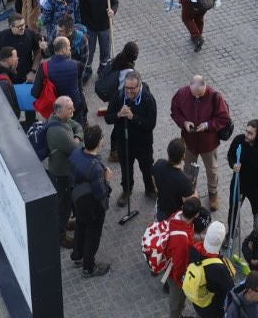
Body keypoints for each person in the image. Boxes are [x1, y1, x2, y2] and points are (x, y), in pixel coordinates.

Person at [171, 74, 232, 212]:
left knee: (212, 170)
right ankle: (190, 193)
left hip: (208, 143)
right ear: (190, 87)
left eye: (200, 95)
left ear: (205, 87)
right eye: (195, 95)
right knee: (188, 170)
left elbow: (224, 118)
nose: (197, 97)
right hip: (189, 141)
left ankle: (213, 193)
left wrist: (207, 125)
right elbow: (175, 112)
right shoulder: (182, 94)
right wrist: (184, 123)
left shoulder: (216, 97)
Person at [68, 124, 113, 277]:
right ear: (99, 142)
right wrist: (106, 180)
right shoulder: (96, 168)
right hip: (92, 206)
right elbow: (101, 193)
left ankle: (77, 255)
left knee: (80, 227)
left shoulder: (76, 154)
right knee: (93, 235)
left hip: (77, 200)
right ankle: (89, 267)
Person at [108, 69, 157, 206]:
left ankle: (150, 188)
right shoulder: (119, 96)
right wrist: (118, 114)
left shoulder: (148, 99)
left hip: (143, 144)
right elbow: (107, 118)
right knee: (126, 168)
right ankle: (126, 190)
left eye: (132, 88)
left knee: (147, 168)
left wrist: (133, 117)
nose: (128, 91)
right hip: (124, 143)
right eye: (127, 87)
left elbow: (150, 124)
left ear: (139, 85)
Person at [43, 96, 84, 244]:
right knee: (63, 206)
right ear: (59, 111)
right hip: (61, 174)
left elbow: (78, 126)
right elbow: (76, 149)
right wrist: (79, 139)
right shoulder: (57, 132)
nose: (73, 110)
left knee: (66, 202)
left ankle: (65, 225)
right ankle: (61, 236)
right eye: (69, 108)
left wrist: (77, 136)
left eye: (72, 106)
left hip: (65, 171)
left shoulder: (60, 119)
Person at [161, 196, 204, 318]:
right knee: (176, 301)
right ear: (196, 216)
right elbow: (179, 266)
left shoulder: (178, 215)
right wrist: (182, 283)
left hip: (169, 262)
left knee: (178, 300)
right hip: (175, 275)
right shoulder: (181, 240)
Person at [225, 119, 258, 221]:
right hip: (238, 183)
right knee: (234, 209)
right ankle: (231, 232)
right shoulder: (239, 140)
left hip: (255, 189)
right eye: (246, 131)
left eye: (250, 133)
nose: (246, 135)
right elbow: (230, 155)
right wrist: (233, 164)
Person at [187, 221, 236, 318]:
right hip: (213, 309)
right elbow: (230, 290)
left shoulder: (194, 250)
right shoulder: (219, 269)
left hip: (198, 301)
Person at [77, 0, 119, 77]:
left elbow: (115, 2)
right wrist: (84, 25)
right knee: (89, 50)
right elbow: (81, 7)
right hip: (90, 26)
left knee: (105, 50)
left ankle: (103, 68)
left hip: (105, 25)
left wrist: (113, 11)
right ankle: (88, 69)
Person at [40, 35, 85, 121]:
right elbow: (79, 82)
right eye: (68, 46)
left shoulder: (44, 67)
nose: (70, 48)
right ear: (63, 50)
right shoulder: (77, 64)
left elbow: (35, 92)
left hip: (56, 108)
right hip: (74, 104)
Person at [153, 137, 195, 221]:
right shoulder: (184, 181)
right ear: (183, 156)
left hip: (160, 209)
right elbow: (189, 203)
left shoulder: (159, 163)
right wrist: (194, 191)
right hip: (174, 216)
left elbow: (153, 180)